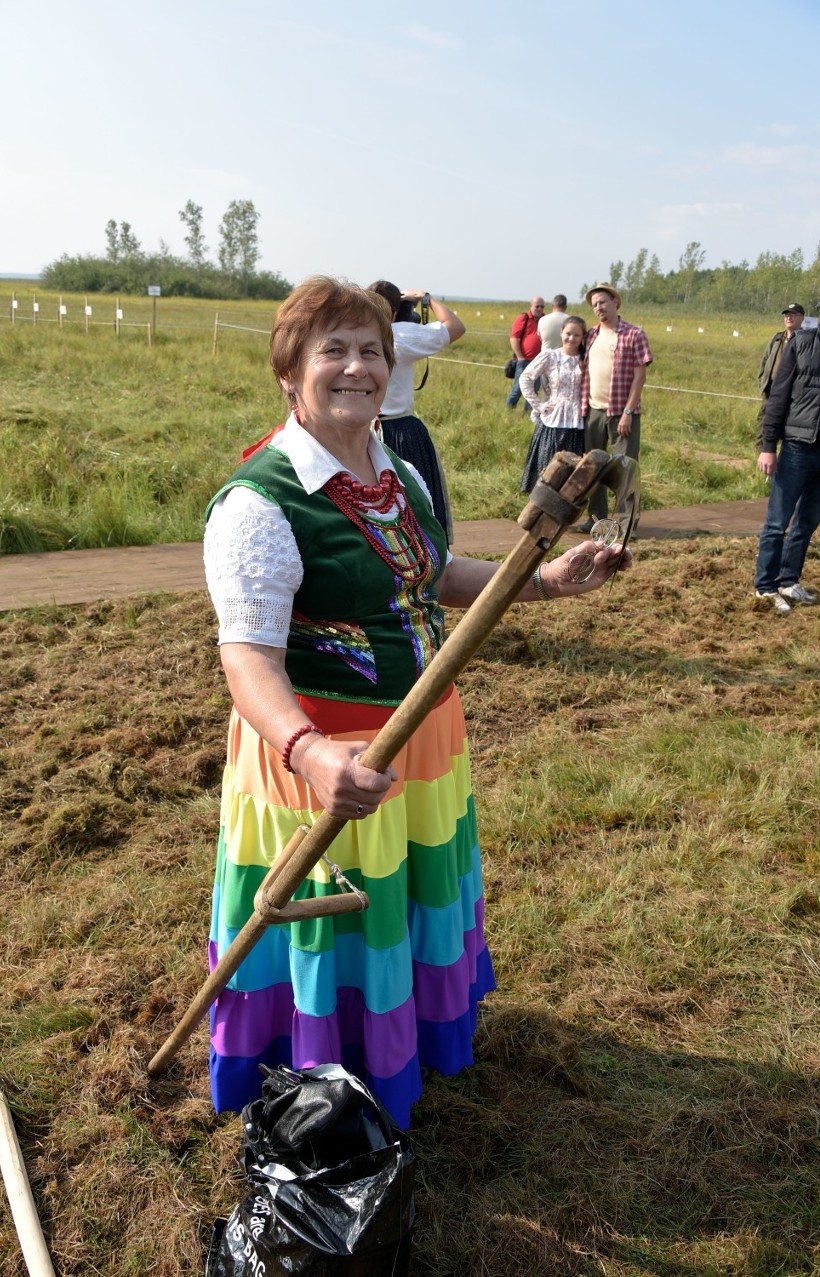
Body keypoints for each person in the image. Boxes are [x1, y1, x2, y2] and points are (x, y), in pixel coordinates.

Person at [202, 276, 631, 1129]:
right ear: (290, 371)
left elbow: (428, 576)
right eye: (335, 349)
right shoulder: (260, 501)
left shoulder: (389, 463)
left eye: (371, 349)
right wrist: (312, 753)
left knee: (403, 903)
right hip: (326, 755)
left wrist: (541, 581)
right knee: (331, 920)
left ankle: (404, 1049)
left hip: (422, 737)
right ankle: (315, 1075)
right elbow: (247, 660)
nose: (357, 366)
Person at [368, 281, 463, 543]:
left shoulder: (360, 332)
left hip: (363, 428)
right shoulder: (401, 334)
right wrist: (426, 298)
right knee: (415, 500)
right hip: (400, 430)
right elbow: (455, 326)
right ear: (395, 308)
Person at [753, 320, 820, 612]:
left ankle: (789, 580)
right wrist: (768, 446)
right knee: (777, 522)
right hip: (797, 446)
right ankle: (765, 587)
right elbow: (777, 396)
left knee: (807, 522)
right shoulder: (802, 342)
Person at [578, 283, 653, 533]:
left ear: (615, 302)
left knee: (625, 468)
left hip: (621, 412)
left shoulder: (634, 334)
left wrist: (628, 412)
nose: (598, 308)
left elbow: (640, 377)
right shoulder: (591, 334)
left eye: (602, 302)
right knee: (594, 468)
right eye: (594, 304)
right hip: (593, 410)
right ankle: (597, 519)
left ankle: (625, 524)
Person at [519, 316, 588, 492]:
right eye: (568, 333)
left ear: (583, 337)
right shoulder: (550, 356)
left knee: (570, 477)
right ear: (561, 333)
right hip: (552, 420)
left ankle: (563, 515)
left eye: (577, 335)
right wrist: (539, 406)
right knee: (547, 470)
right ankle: (538, 513)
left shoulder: (586, 359)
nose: (571, 338)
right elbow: (525, 378)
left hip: (577, 423)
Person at [756, 303, 805, 451]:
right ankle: (759, 454)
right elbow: (765, 361)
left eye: (793, 314)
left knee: (786, 423)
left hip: (790, 391)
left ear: (802, 318)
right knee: (764, 421)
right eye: (786, 315)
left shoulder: (804, 340)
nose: (789, 318)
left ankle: (783, 454)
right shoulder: (777, 338)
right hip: (771, 389)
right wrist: (763, 382)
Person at [506, 296, 545, 409]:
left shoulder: (545, 320)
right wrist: (520, 357)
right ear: (531, 306)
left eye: (542, 306)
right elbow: (514, 338)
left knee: (534, 389)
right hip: (524, 360)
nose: (539, 309)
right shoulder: (524, 318)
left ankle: (528, 413)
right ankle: (509, 409)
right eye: (537, 306)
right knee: (518, 387)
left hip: (539, 362)